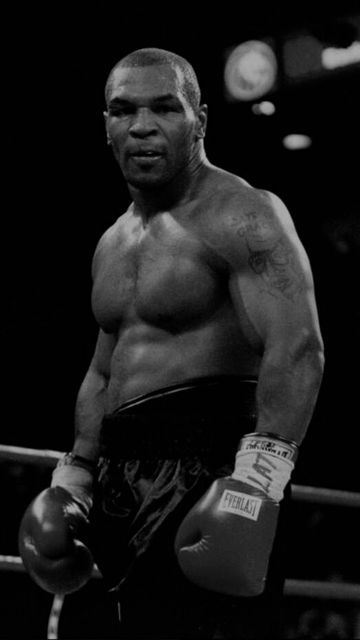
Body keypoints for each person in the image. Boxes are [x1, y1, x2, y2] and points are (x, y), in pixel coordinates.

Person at [19, 48, 325, 639]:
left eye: (164, 107)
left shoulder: (245, 214)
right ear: (106, 126)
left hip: (205, 470)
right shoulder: (112, 241)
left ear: (199, 120)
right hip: (116, 481)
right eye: (122, 109)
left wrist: (256, 484)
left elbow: (298, 347)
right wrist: (75, 477)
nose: (141, 125)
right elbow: (102, 372)